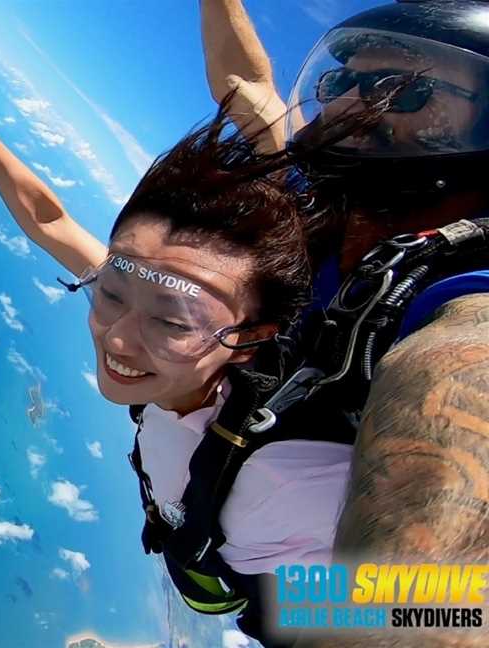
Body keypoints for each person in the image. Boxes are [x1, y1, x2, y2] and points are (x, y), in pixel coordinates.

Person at [0, 22, 361, 647]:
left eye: (172, 321)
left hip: (243, 578)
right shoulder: (174, 310)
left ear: (251, 339)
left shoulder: (286, 479)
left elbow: (436, 608)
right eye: (110, 293)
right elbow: (50, 219)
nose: (119, 338)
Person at [201, 1, 489, 646]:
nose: (352, 106)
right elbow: (247, 88)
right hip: (221, 544)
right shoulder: (323, 202)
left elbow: (463, 364)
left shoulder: (465, 278)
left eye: (402, 89)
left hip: (286, 602)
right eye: (340, 82)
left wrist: (348, 622)